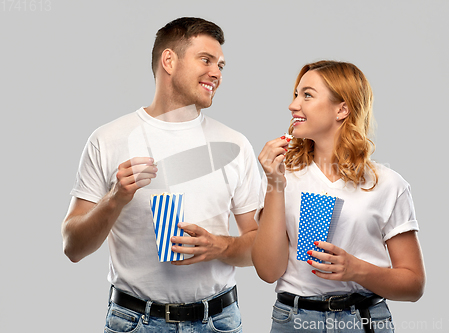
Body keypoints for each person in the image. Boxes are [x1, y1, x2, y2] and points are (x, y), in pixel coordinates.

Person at [62, 17, 260, 333]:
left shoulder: (235, 144)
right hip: (134, 322)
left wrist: (217, 246)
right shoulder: (108, 139)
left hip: (218, 321)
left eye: (221, 65)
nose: (217, 73)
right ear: (169, 60)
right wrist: (115, 199)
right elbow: (72, 247)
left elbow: (261, 250)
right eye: (206, 60)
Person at [252, 60, 425, 333]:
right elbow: (267, 271)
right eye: (296, 94)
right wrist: (275, 182)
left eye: (307, 95)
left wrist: (356, 270)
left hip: (364, 320)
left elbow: (413, 285)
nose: (293, 105)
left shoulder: (388, 184)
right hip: (294, 321)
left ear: (342, 109)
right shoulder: (284, 175)